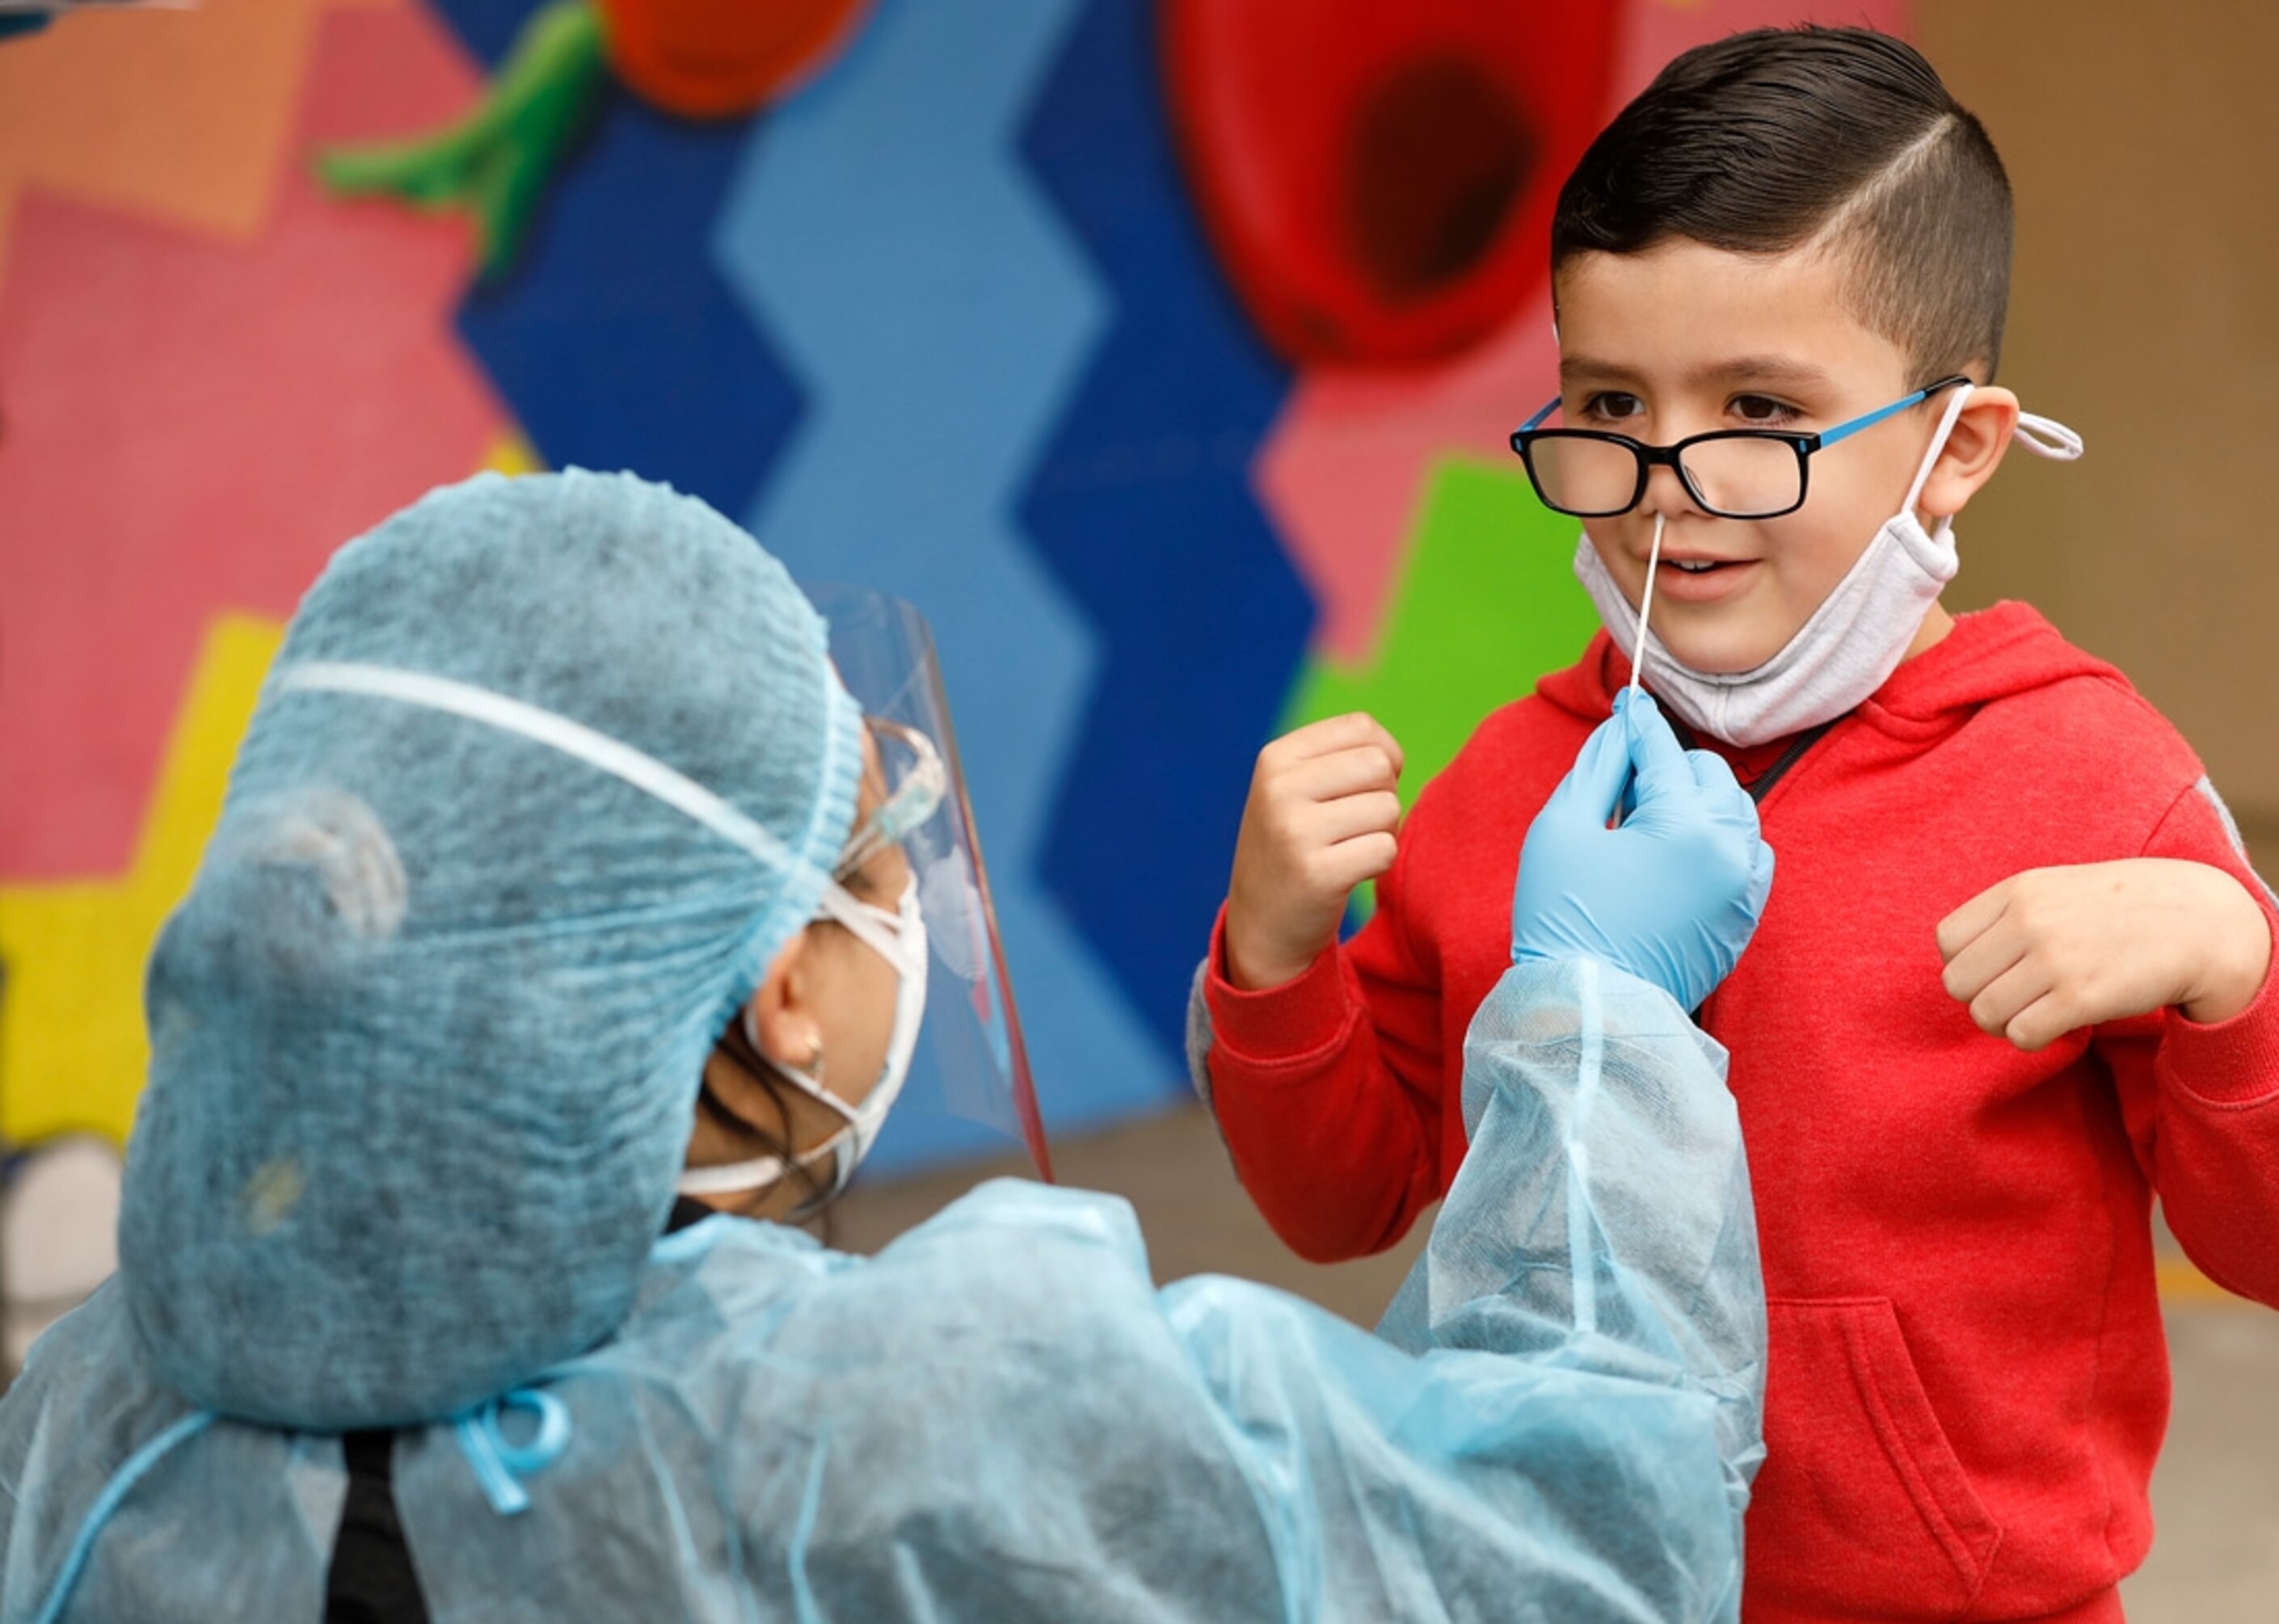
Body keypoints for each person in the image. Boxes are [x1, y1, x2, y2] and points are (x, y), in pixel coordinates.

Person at [0, 467, 1776, 1623]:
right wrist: (1602, 1026)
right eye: (874, 841)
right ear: (784, 991)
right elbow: (1578, 1552)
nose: (908, 889)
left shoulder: (92, 1405)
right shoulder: (909, 1426)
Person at [1193, 27, 2279, 1624]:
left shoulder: (2097, 785)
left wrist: (2230, 964)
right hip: (1576, 1589)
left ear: (1955, 448)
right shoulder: (1510, 788)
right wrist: (1277, 960)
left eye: (1759, 408)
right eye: (1610, 401)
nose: (1667, 482)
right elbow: (1345, 1200)